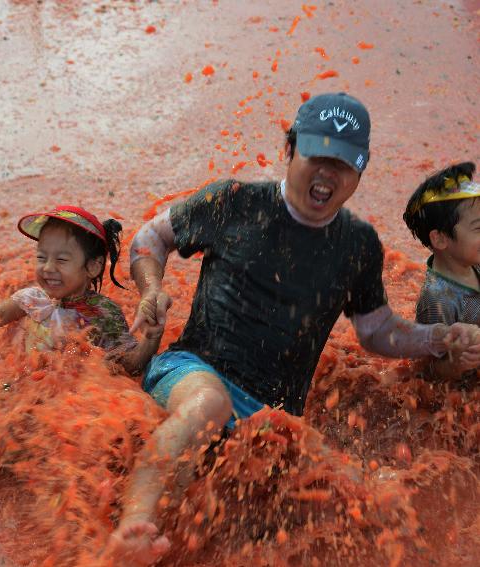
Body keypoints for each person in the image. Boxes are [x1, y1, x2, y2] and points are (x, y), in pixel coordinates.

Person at [105, 93, 480, 565]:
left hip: (275, 422)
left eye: (342, 164)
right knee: (209, 405)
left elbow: (376, 331)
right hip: (193, 370)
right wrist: (151, 289)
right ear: (290, 151)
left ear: (359, 174)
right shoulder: (233, 201)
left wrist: (435, 339)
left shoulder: (358, 244)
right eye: (315, 155)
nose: (326, 173)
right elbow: (150, 238)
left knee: (374, 500)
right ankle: (132, 533)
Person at [0, 205, 162, 379]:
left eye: (61, 259)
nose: (48, 268)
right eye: (41, 257)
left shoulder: (103, 313)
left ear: (93, 266)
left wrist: (151, 340)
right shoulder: (33, 300)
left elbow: (128, 364)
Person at [404, 161, 480, 382]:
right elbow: (427, 373)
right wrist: (457, 363)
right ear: (440, 238)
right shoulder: (438, 301)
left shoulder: (472, 260)